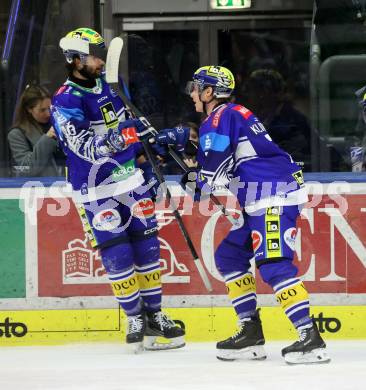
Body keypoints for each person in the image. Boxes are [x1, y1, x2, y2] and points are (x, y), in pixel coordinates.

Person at [154, 65, 330, 364]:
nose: (193, 94)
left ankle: (309, 337)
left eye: (197, 88)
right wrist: (188, 154)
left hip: (273, 195)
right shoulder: (229, 116)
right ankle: (250, 332)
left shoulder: (221, 118)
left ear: (209, 92)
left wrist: (187, 170)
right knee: (230, 257)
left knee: (273, 265)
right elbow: (219, 165)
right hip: (261, 197)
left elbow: (208, 182)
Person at [50, 27, 185, 351]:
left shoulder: (113, 86)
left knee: (148, 247)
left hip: (130, 179)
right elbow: (81, 145)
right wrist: (123, 136)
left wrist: (145, 133)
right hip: (96, 187)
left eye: (100, 53)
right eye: (94, 54)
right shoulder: (64, 99)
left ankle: (155, 315)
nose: (99, 60)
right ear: (74, 59)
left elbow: (128, 123)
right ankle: (135, 317)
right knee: (119, 252)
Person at [243, 69, 311, 170]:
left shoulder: (293, 122)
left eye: (250, 91)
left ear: (263, 93)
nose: (246, 96)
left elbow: (296, 155)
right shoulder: (249, 119)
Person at [8, 84, 65, 177]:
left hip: (67, 183)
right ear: (29, 109)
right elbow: (27, 168)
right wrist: (48, 137)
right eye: (42, 110)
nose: (48, 114)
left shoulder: (58, 123)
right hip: (39, 188)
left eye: (50, 108)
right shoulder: (17, 134)